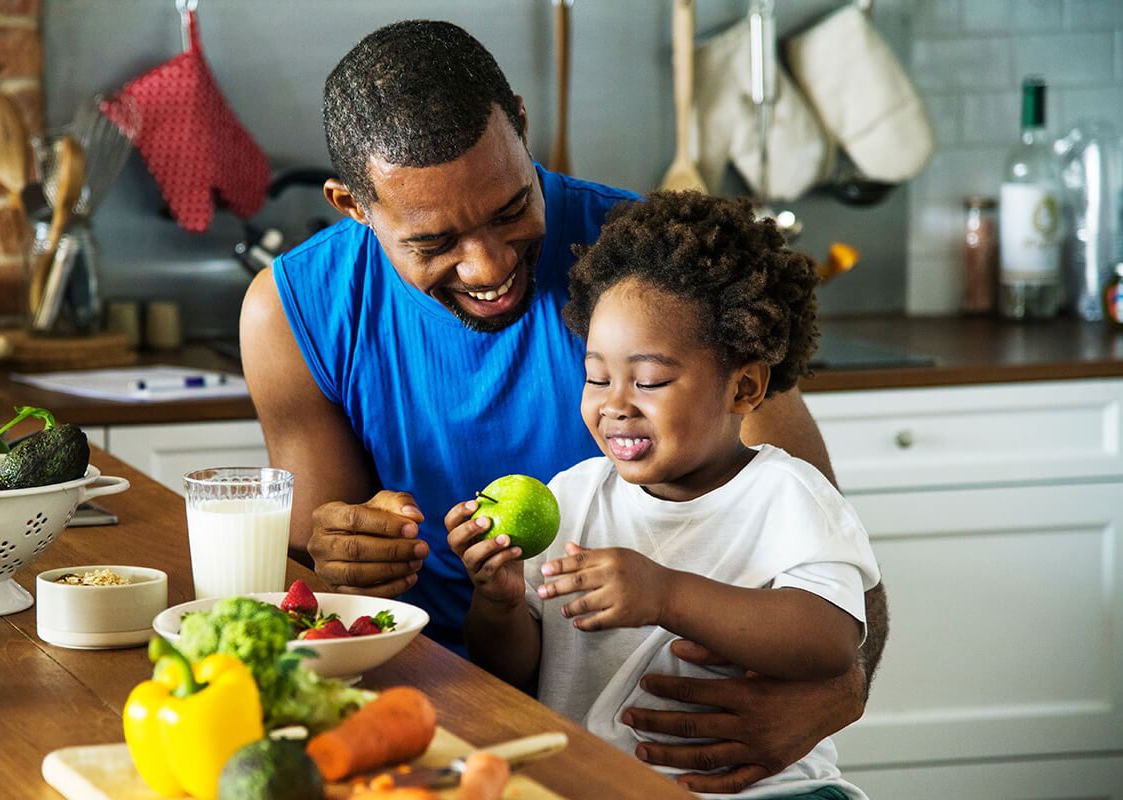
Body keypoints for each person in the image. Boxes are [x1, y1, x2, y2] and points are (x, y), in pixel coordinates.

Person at [239, 19, 889, 794]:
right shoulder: (294, 312)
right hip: (424, 714)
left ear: (520, 121)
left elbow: (837, 564)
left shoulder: (650, 277)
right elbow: (319, 590)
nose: (489, 265)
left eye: (512, 208)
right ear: (354, 205)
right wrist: (344, 553)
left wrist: (834, 697)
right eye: (434, 241)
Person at [446, 190, 879, 799]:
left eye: (649, 380)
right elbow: (514, 674)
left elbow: (830, 641)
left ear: (744, 388)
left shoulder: (786, 495)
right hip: (597, 787)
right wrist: (497, 603)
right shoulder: (573, 497)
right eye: (597, 377)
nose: (614, 405)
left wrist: (667, 594)